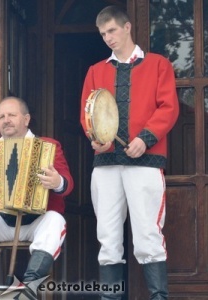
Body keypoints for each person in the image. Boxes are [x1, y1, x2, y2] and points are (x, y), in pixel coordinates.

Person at [80, 5, 179, 300]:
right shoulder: (95, 71)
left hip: (145, 162)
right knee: (108, 238)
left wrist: (145, 139)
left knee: (148, 235)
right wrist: (95, 139)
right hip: (106, 164)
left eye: (111, 30)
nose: (108, 37)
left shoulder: (159, 64)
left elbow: (169, 107)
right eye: (102, 34)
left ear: (127, 28)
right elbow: (88, 114)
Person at [0, 96, 74, 291]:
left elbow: (68, 184)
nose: (6, 120)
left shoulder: (48, 146)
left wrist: (58, 182)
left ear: (26, 119)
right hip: (3, 221)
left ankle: (29, 286)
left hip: (37, 221)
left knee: (55, 220)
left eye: (12, 115)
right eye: (1, 117)